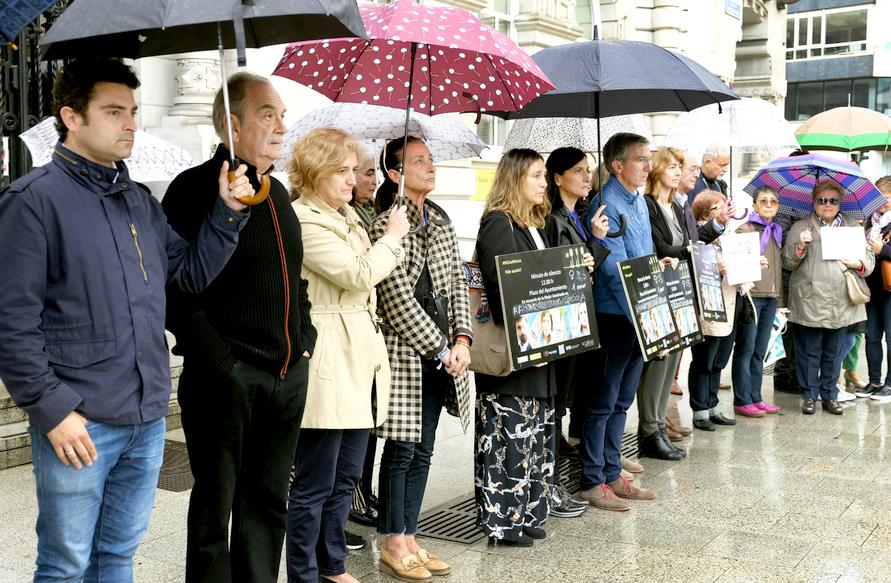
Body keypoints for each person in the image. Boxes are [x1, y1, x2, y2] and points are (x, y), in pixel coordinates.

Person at [0, 58, 249, 581]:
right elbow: (10, 323)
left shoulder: (139, 202)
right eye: (114, 112)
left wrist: (225, 211)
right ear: (72, 116)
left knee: (116, 555)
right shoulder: (32, 202)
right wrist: (52, 409)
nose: (131, 123)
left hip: (146, 416)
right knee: (66, 564)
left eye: (133, 111)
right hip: (80, 419)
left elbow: (187, 275)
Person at [162, 71, 317, 583]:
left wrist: (305, 344)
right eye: (267, 114)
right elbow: (174, 290)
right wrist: (221, 362)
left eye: (282, 115)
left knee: (267, 503)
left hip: (285, 376)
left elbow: (294, 280)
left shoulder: (277, 194)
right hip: (225, 377)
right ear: (233, 124)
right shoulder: (193, 189)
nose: (281, 125)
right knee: (215, 508)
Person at [284, 128, 408, 583]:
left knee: (346, 477)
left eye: (354, 170)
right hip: (329, 355)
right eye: (342, 170)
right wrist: (392, 237)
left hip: (360, 356)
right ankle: (304, 571)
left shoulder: (349, 215)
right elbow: (358, 274)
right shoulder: (305, 218)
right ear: (315, 172)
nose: (352, 179)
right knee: (316, 480)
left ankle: (332, 565)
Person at [474, 148, 595, 546]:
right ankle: (502, 521)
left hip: (541, 347)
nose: (545, 183)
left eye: (545, 176)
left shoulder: (533, 224)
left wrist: (575, 270)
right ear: (515, 180)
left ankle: (526, 510)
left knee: (535, 435)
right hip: (513, 352)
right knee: (507, 436)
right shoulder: (497, 223)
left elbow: (547, 280)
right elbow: (500, 287)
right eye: (537, 176)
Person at [369, 137, 472, 581]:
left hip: (444, 352)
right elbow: (395, 299)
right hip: (405, 353)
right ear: (395, 174)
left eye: (430, 160)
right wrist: (440, 347)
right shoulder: (384, 225)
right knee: (401, 447)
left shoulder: (443, 221)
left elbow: (456, 285)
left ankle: (410, 534)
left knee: (425, 448)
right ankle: (393, 538)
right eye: (418, 162)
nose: (430, 167)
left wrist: (463, 340)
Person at [576, 133, 660, 512]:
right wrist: (642, 293)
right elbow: (612, 268)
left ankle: (612, 471)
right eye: (641, 159)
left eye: (649, 158)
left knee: (623, 399)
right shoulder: (605, 203)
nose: (648, 166)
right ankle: (594, 478)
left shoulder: (639, 201)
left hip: (641, 314)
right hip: (615, 315)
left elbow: (646, 254)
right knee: (603, 401)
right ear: (617, 166)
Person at [542, 147, 609, 471]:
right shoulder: (553, 221)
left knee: (568, 393)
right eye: (579, 170)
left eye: (588, 170)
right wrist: (594, 243)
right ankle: (550, 463)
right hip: (564, 320)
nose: (587, 177)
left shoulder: (577, 217)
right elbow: (567, 272)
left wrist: (595, 237)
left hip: (580, 316)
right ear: (558, 177)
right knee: (557, 397)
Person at [782, 179, 875, 415]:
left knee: (834, 352)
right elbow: (787, 262)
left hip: (841, 300)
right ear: (814, 203)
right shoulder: (801, 227)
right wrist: (800, 245)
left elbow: (870, 262)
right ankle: (809, 395)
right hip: (809, 298)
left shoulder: (853, 227)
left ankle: (830, 395)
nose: (827, 204)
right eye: (822, 200)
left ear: (839, 202)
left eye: (832, 200)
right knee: (809, 351)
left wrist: (858, 263)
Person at [638, 146, 689, 461]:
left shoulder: (676, 206)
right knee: (658, 360)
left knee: (671, 361)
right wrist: (690, 251)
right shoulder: (648, 205)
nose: (678, 172)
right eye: (671, 166)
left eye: (679, 167)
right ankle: (650, 429)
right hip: (658, 288)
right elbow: (661, 248)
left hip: (678, 288)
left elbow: (680, 245)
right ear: (656, 169)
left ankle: (659, 426)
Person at [731, 186, 783, 416]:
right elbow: (737, 264)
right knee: (746, 348)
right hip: (752, 297)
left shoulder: (777, 230)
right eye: (764, 201)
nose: (769, 205)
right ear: (754, 205)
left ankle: (756, 396)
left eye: (773, 201)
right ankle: (742, 399)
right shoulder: (746, 229)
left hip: (771, 298)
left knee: (760, 351)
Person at [863, 176, 891, 401]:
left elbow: (884, 252)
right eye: (879, 197)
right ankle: (874, 381)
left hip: (890, 289)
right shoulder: (869, 222)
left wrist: (884, 249)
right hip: (872, 287)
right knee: (871, 336)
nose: (883, 202)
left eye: (888, 198)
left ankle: (890, 384)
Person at [351, 152, 378, 231]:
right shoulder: (345, 215)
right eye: (369, 174)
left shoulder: (376, 206)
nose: (376, 182)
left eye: (375, 173)